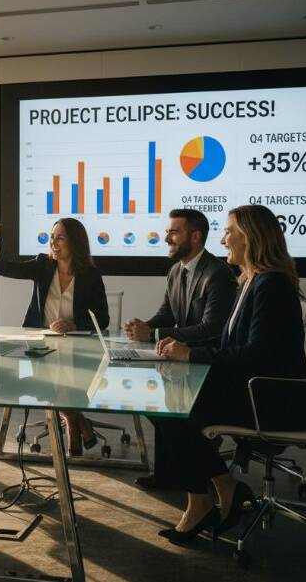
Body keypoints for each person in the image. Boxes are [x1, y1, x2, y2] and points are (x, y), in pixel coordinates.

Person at [153, 204, 306, 543]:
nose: (223, 239)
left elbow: (256, 354)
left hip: (272, 400)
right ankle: (223, 487)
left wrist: (191, 354)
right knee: (168, 402)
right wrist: (181, 345)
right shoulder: (251, 281)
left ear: (250, 238)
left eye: (229, 232)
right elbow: (228, 340)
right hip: (256, 390)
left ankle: (202, 500)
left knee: (171, 407)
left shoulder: (271, 286)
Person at [122, 208, 236, 491]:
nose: (167, 238)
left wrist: (156, 334)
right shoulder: (176, 271)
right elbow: (167, 313)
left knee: (164, 405)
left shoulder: (217, 274)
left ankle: (190, 476)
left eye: (174, 232)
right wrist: (144, 327)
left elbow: (212, 329)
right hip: (181, 361)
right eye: (167, 232)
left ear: (195, 237)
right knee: (155, 397)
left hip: (207, 365)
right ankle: (168, 474)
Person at [0, 216, 110, 455]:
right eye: (52, 237)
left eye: (60, 237)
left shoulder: (91, 275)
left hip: (77, 345)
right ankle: (75, 423)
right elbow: (4, 268)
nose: (53, 242)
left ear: (75, 242)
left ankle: (73, 424)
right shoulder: (43, 265)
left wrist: (73, 324)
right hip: (41, 342)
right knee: (56, 377)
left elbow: (102, 319)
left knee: (61, 376)